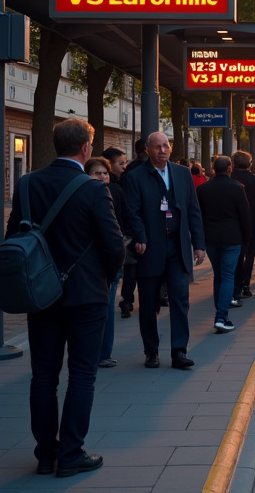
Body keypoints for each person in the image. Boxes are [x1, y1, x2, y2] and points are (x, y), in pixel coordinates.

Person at [6, 119, 124, 478]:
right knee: (82, 374)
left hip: (40, 293)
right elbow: (113, 244)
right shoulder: (92, 189)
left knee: (43, 375)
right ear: (86, 149)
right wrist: (106, 278)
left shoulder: (26, 184)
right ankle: (71, 452)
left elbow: (14, 236)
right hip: (85, 294)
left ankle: (46, 453)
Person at [122, 131, 206, 371]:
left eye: (165, 146)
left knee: (180, 299)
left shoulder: (181, 173)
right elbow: (132, 212)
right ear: (147, 150)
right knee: (148, 303)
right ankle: (151, 351)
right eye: (157, 147)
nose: (162, 151)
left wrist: (198, 244)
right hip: (150, 247)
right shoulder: (135, 177)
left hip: (177, 246)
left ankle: (179, 350)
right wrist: (139, 236)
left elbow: (193, 210)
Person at [197, 155, 252, 334]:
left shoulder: (203, 189)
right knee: (228, 276)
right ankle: (221, 316)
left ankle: (220, 313)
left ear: (213, 169)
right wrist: (247, 238)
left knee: (218, 275)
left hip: (211, 239)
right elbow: (245, 216)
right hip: (232, 238)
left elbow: (199, 216)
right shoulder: (237, 188)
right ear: (230, 168)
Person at [83, 157, 126, 369]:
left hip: (109, 259)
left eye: (105, 173)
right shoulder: (84, 193)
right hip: (88, 261)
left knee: (107, 307)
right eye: (96, 173)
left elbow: (126, 219)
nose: (101, 177)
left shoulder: (116, 193)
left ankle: (103, 353)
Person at [103, 147, 138, 319]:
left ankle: (126, 301)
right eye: (121, 163)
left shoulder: (121, 185)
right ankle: (126, 300)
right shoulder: (116, 189)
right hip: (118, 241)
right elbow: (127, 215)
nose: (124, 167)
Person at [231, 151, 255, 299]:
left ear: (233, 164)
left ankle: (235, 284)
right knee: (250, 254)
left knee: (235, 255)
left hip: (232, 224)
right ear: (250, 164)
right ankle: (246, 283)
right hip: (252, 222)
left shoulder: (230, 178)